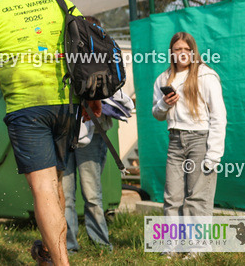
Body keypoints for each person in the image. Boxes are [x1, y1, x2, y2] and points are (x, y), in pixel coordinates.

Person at [0, 0, 97, 266]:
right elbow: (88, 48)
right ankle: (48, 252)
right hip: (66, 105)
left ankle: (61, 263)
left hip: (27, 108)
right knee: (56, 180)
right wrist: (92, 100)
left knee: (43, 187)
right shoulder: (58, 1)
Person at [61, 17, 134, 253]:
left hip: (90, 134)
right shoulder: (64, 56)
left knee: (90, 194)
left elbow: (119, 98)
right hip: (66, 132)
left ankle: (101, 244)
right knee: (67, 196)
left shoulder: (103, 60)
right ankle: (70, 245)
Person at [152, 32, 226, 222]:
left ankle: (196, 248)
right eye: (178, 49)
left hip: (199, 140)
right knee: (172, 197)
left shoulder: (206, 75)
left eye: (187, 49)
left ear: (193, 52)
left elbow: (219, 115)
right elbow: (157, 114)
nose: (183, 53)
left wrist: (214, 154)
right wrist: (165, 104)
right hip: (175, 141)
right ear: (171, 53)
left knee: (197, 198)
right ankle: (173, 246)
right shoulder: (163, 78)